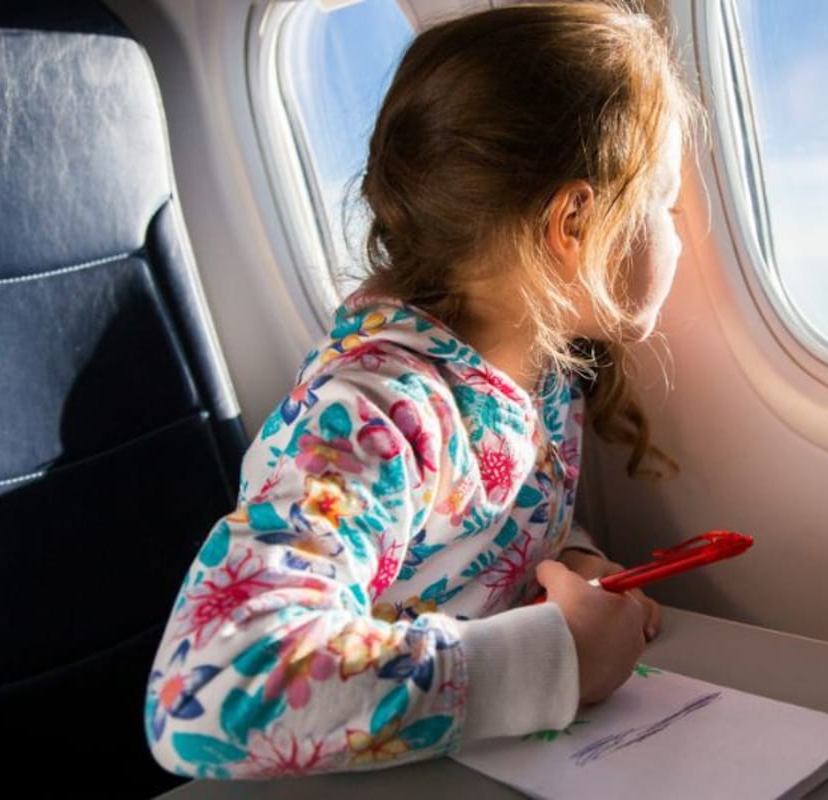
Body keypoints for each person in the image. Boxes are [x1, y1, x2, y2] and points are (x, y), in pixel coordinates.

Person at [145, 0, 695, 778]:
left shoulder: (536, 380)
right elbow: (207, 695)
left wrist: (573, 565)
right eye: (666, 203)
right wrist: (555, 661)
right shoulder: (377, 415)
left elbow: (474, 551)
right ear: (575, 222)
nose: (678, 231)